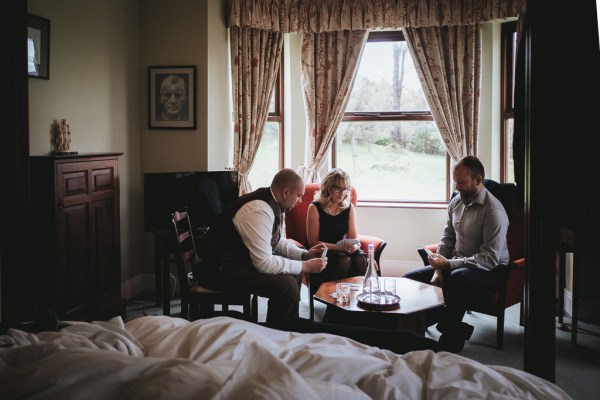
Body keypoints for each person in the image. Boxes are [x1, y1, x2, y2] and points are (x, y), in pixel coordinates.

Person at [403, 155, 510, 352]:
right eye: (455, 181)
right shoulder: (456, 202)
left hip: (492, 270)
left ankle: (447, 334)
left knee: (458, 279)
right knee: (409, 278)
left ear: (478, 180)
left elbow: (489, 258)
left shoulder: (493, 211)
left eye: (461, 182)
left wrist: (448, 266)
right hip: (458, 264)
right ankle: (433, 326)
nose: (457, 187)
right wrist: (437, 268)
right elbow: (447, 239)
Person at [197, 168, 327, 324]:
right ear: (286, 192)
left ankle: (286, 325)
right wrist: (305, 266)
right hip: (218, 269)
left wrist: (303, 255)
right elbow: (264, 264)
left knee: (294, 275)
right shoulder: (259, 210)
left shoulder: (276, 204)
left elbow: (276, 242)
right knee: (287, 286)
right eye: (299, 196)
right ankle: (276, 333)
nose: (300, 201)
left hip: (237, 263)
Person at [306, 168, 367, 292]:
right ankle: (333, 304)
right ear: (328, 188)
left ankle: (357, 300)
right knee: (344, 260)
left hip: (341, 248)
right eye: (338, 189)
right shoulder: (315, 207)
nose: (342, 193)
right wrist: (341, 247)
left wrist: (354, 246)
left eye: (346, 189)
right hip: (322, 250)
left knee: (360, 258)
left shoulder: (348, 207)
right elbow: (313, 242)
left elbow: (354, 238)